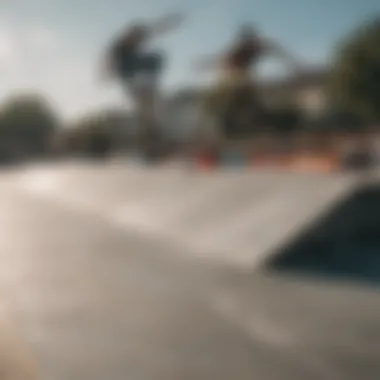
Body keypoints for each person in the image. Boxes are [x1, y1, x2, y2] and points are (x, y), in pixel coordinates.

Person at [100, 12, 185, 149]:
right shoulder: (118, 45)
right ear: (128, 37)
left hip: (137, 72)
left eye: (138, 40)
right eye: (134, 40)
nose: (138, 43)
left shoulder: (140, 35)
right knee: (134, 62)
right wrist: (105, 73)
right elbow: (107, 61)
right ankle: (141, 91)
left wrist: (170, 22)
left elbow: (156, 28)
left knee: (157, 57)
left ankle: (148, 91)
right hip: (126, 71)